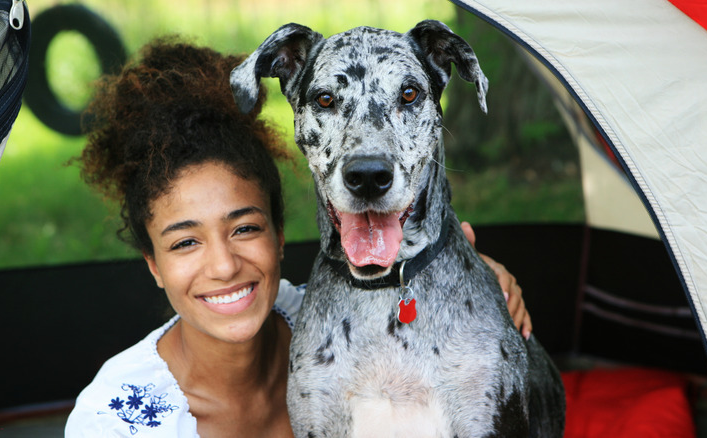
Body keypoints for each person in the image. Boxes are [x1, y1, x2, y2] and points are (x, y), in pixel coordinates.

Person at [65, 37, 531, 437]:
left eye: (245, 228)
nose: (224, 266)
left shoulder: (319, 311)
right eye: (185, 242)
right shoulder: (112, 421)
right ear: (152, 263)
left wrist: (481, 276)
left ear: (281, 235)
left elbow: (409, 294)